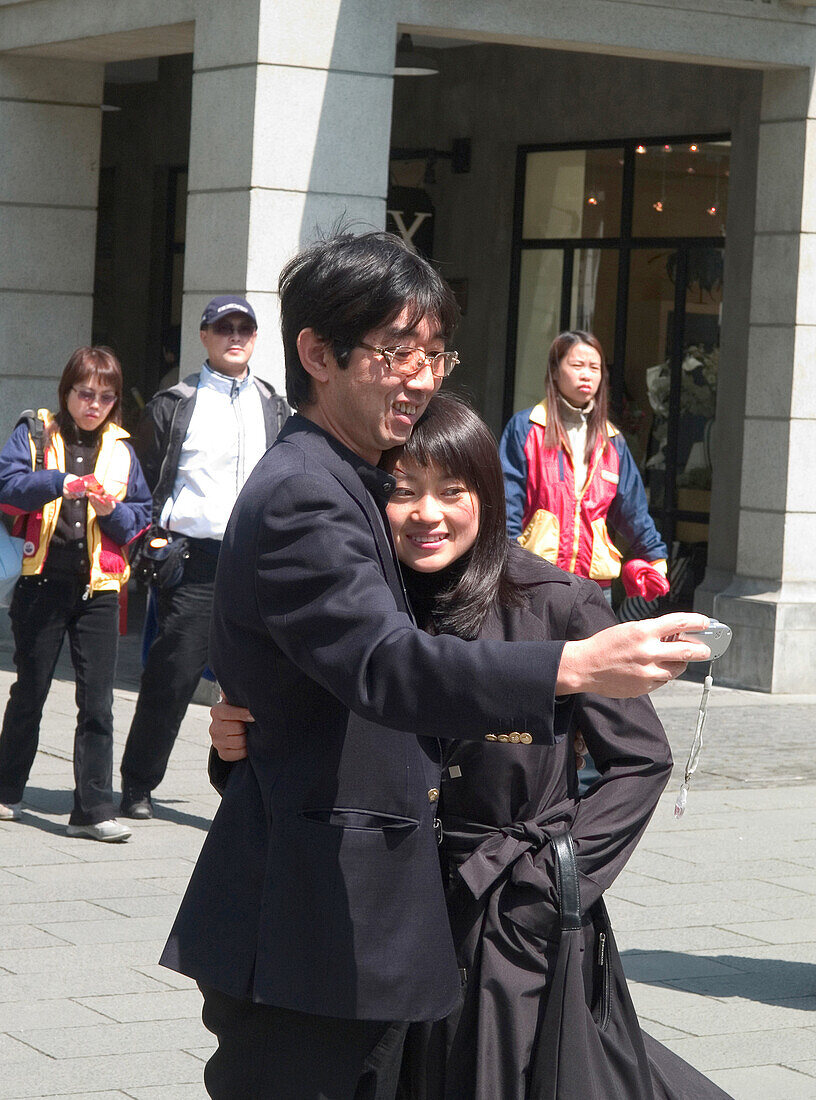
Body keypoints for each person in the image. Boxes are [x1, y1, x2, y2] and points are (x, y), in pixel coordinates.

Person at [159, 231, 710, 1100]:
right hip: (311, 931)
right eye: (394, 352)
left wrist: (242, 735)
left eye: (434, 353)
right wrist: (571, 665)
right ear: (316, 353)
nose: (420, 376)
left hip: (370, 926)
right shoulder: (310, 489)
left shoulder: (361, 480)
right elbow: (385, 663)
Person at [118, 295, 289, 819]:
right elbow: (138, 477)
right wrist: (149, 537)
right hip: (194, 563)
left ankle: (246, 789)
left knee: (258, 684)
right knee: (171, 677)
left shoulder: (273, 404)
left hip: (255, 563)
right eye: (223, 328)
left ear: (256, 338)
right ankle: (136, 785)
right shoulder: (176, 402)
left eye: (245, 328)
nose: (234, 336)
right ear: (205, 336)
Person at [0, 347, 151, 842]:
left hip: (99, 588)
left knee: (98, 702)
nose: (94, 404)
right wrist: (61, 481)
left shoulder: (122, 449)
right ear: (67, 392)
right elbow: (5, 487)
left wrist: (110, 509)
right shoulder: (37, 433)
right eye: (85, 393)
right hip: (41, 583)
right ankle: (4, 788)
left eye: (105, 397)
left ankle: (94, 811)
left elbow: (139, 521)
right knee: (31, 691)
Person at [499, 330, 669, 601]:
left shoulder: (612, 440)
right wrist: (510, 564)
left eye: (594, 367)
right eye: (577, 365)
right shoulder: (526, 429)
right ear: (555, 371)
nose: (587, 374)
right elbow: (507, 503)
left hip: (595, 586)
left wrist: (655, 556)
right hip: (536, 579)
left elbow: (632, 509)